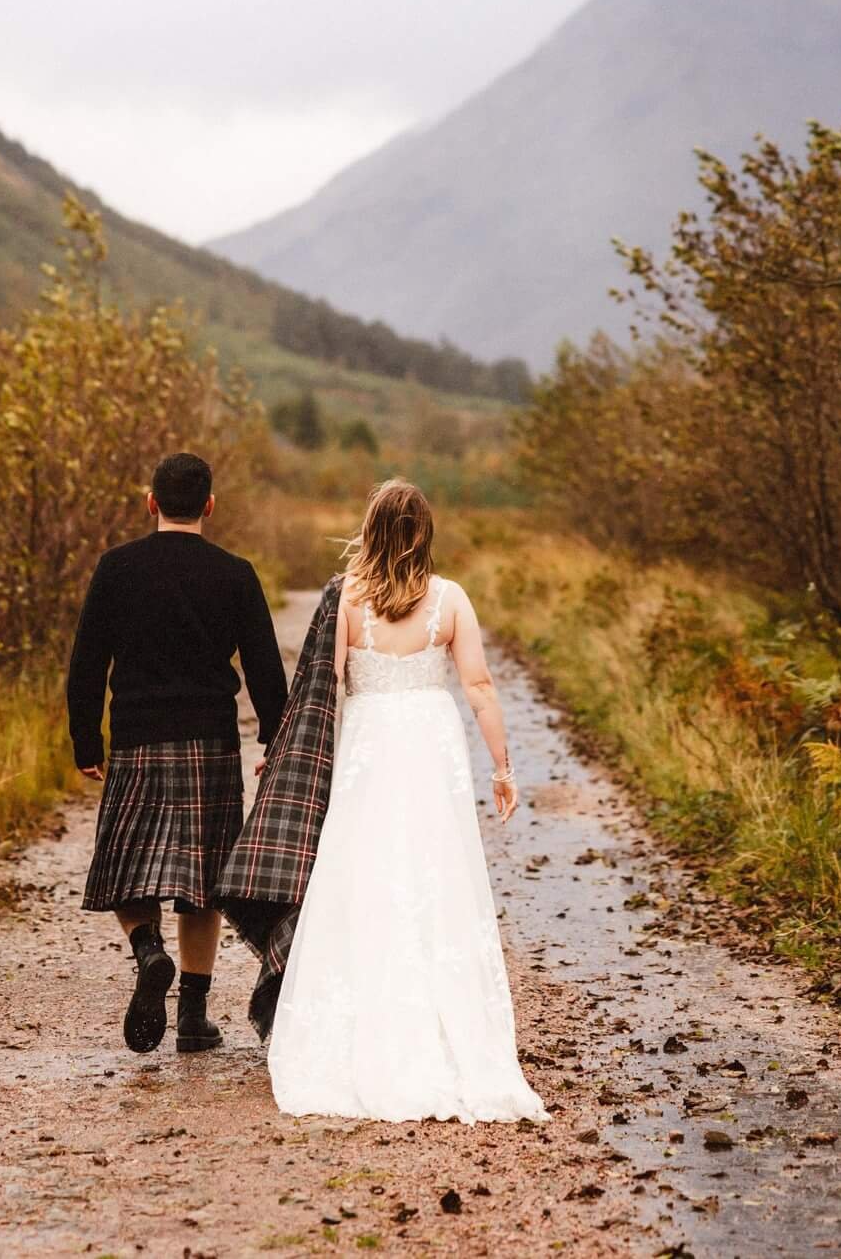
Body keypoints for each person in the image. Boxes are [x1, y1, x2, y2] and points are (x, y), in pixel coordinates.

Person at [261, 478, 546, 1122]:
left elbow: (322, 692)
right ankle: (444, 1030)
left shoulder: (348, 602)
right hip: (428, 746)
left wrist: (287, 757)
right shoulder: (450, 600)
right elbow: (478, 686)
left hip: (369, 744)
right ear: (426, 532)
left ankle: (361, 1027)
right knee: (434, 875)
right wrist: (502, 767)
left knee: (361, 874)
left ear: (370, 529)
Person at [66, 451, 287, 1054]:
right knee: (204, 880)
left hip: (137, 737)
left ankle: (148, 952)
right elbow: (266, 669)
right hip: (210, 743)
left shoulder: (117, 568)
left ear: (151, 502)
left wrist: (86, 739)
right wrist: (277, 736)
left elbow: (86, 662)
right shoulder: (235, 573)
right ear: (209, 506)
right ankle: (192, 1014)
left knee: (127, 864)